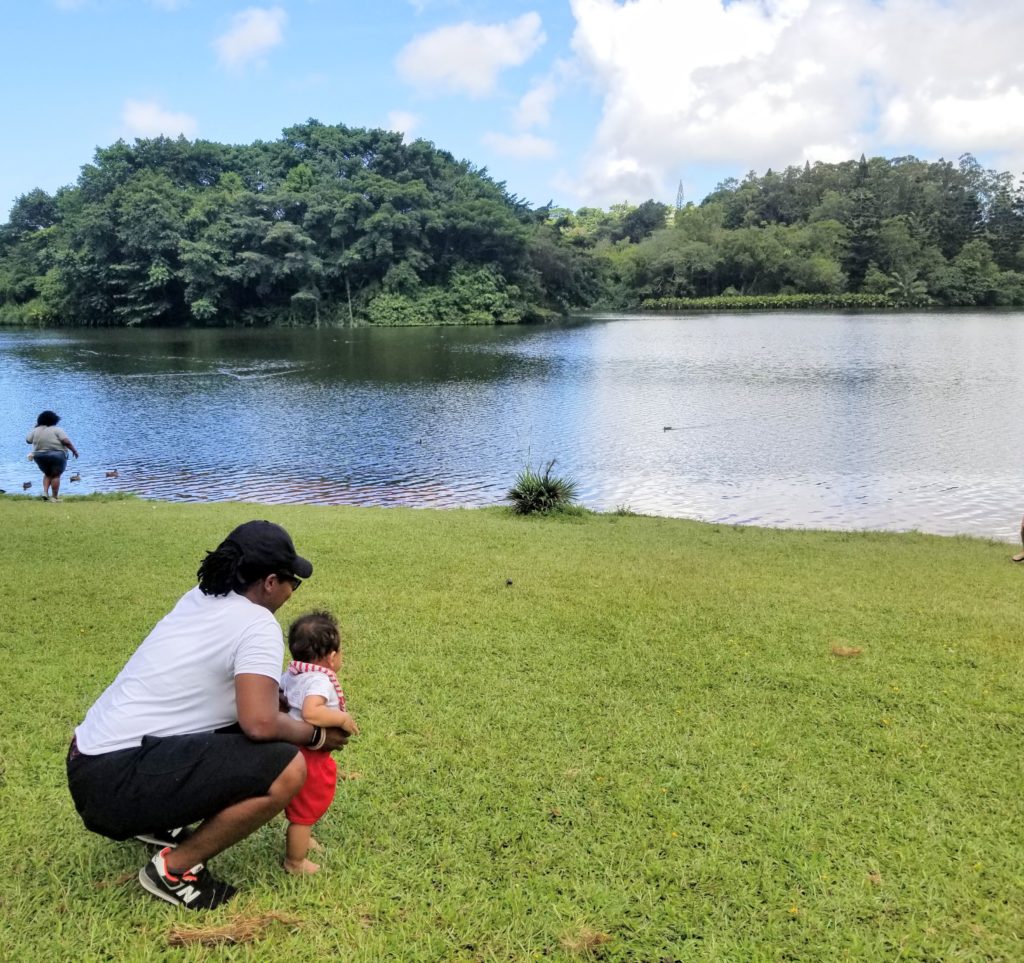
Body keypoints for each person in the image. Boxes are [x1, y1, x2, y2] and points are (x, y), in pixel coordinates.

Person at [66, 520, 349, 910]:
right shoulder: (257, 624)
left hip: (88, 761)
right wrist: (314, 736)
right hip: (114, 783)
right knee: (289, 767)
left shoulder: (199, 597)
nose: (291, 593)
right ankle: (175, 869)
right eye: (292, 583)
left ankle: (158, 820)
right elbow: (260, 722)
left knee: (248, 731)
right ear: (270, 582)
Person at [280, 611, 360, 875]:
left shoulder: (292, 672)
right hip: (309, 754)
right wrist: (342, 718)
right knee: (307, 807)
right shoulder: (318, 679)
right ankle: (295, 861)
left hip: (294, 747)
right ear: (332, 656)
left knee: (304, 802)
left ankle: (303, 837)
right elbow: (312, 712)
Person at [26, 409, 79, 501]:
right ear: (54, 420)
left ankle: (45, 493)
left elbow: (28, 440)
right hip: (56, 455)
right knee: (56, 475)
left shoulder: (35, 430)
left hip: (39, 456)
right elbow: (66, 441)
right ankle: (54, 497)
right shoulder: (57, 429)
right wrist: (74, 451)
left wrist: (36, 428)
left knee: (47, 473)